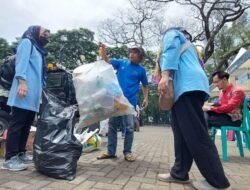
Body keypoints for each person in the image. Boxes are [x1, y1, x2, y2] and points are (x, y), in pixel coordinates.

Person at [157, 27, 231, 190]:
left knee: (196, 134)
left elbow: (170, 49)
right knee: (182, 133)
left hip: (186, 87)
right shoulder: (192, 48)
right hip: (189, 88)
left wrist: (165, 75)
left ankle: (218, 182)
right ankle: (179, 172)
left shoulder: (172, 34)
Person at [2, 26, 50, 171]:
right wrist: (21, 83)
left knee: (27, 124)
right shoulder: (27, 42)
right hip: (23, 90)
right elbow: (21, 64)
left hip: (33, 94)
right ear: (35, 31)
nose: (47, 35)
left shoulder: (39, 50)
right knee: (17, 124)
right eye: (45, 31)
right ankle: (10, 158)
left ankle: (21, 153)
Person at [97, 42, 149, 162]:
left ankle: (127, 152)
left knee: (129, 128)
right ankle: (110, 152)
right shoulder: (121, 63)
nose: (132, 54)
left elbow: (145, 85)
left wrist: (146, 98)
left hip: (130, 102)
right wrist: (103, 49)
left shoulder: (141, 70)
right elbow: (107, 61)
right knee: (112, 126)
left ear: (140, 56)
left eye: (135, 52)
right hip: (116, 100)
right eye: (131, 51)